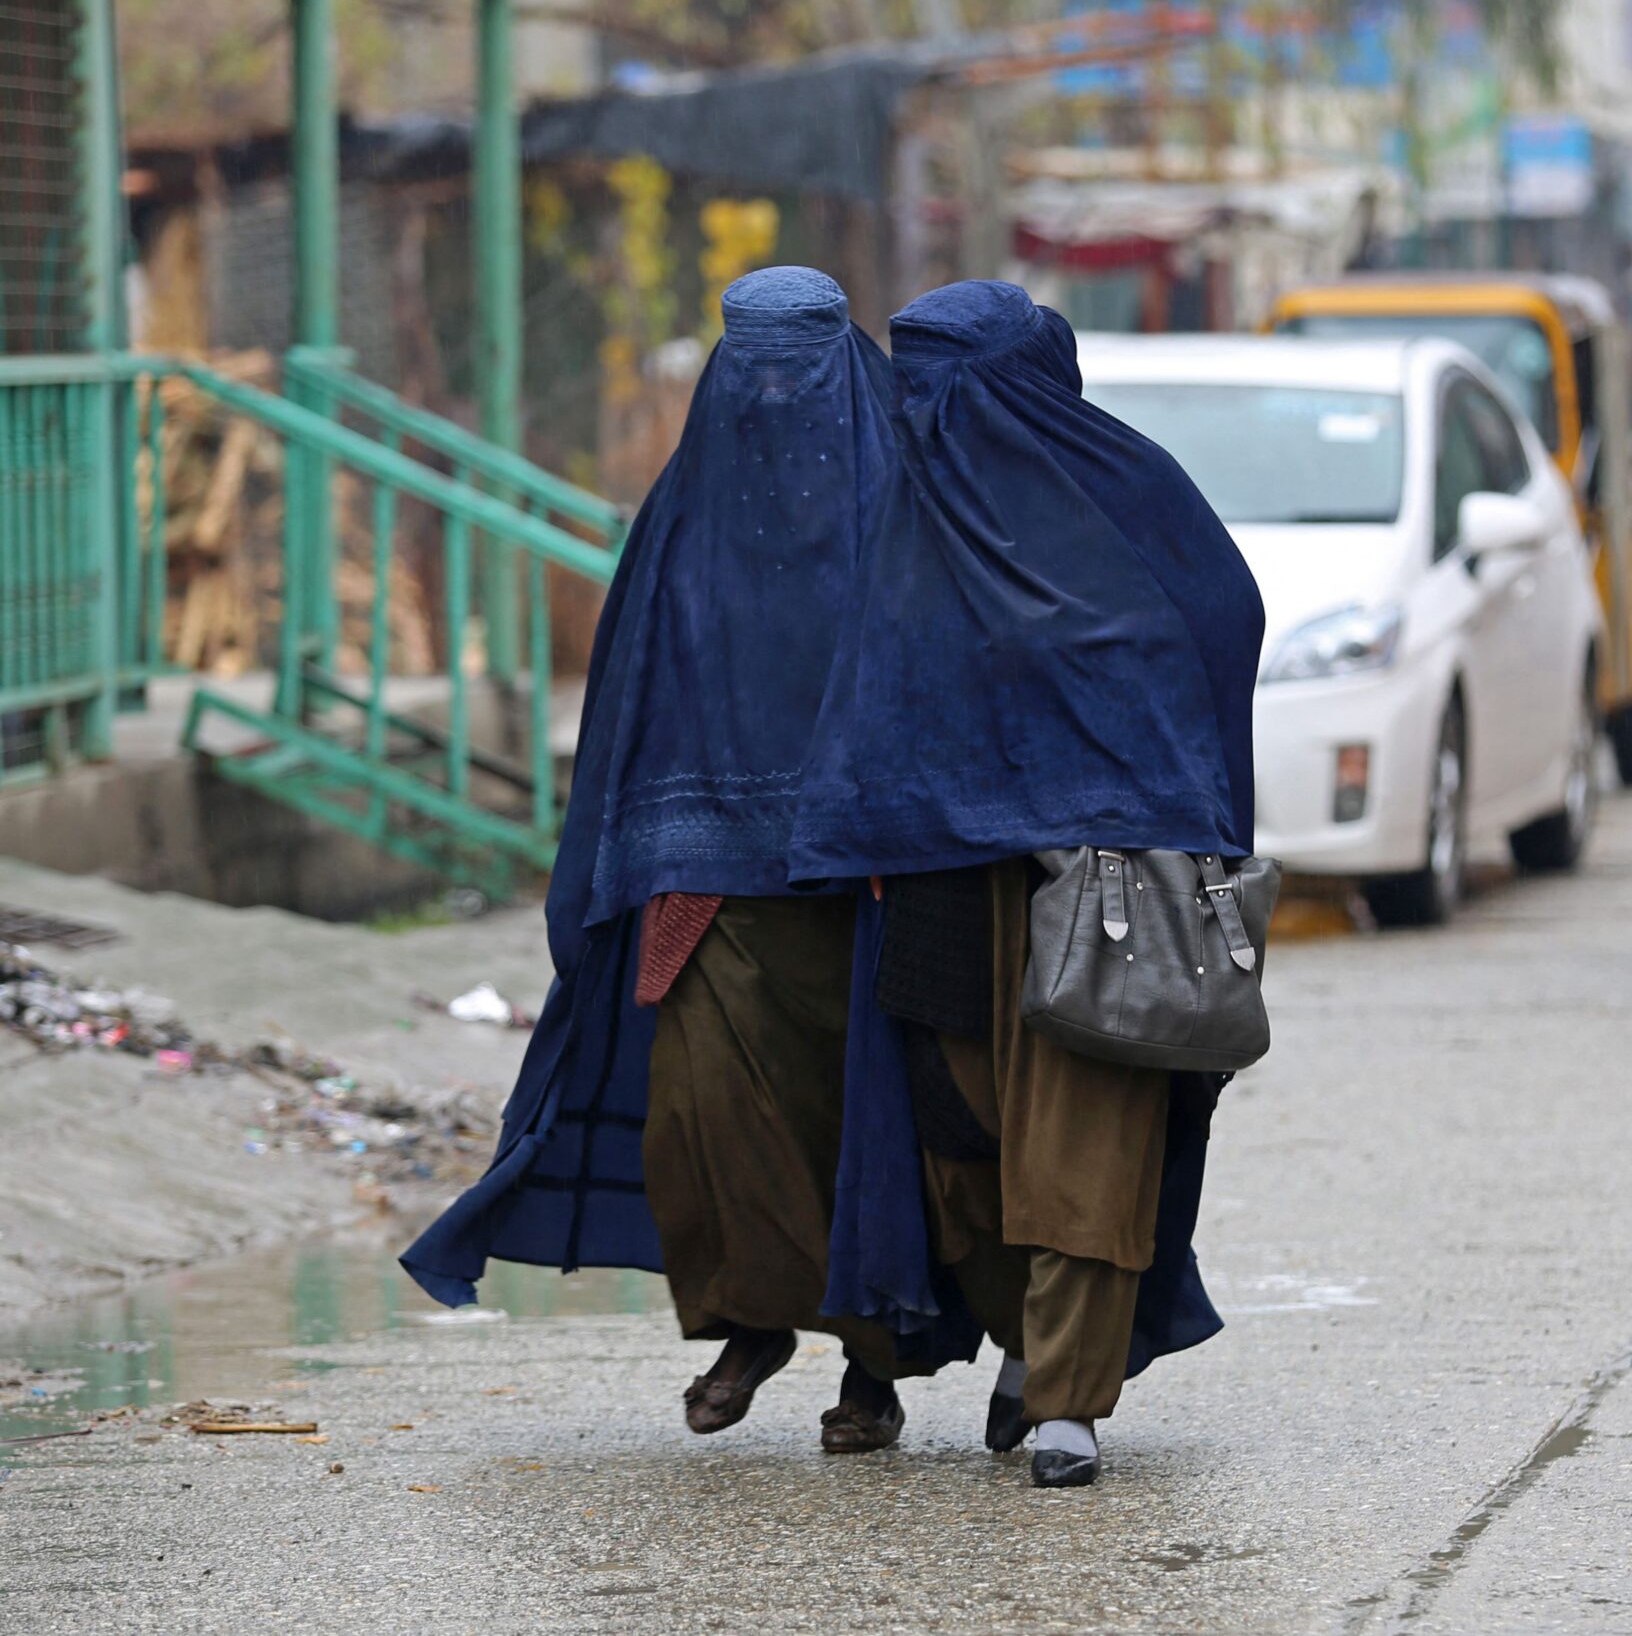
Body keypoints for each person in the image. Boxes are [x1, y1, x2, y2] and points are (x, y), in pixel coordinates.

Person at [402, 267, 977, 1453]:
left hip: (867, 885)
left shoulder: (909, 510)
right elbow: (627, 704)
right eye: (751, 367)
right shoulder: (683, 523)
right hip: (709, 878)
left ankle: (874, 1373)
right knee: (705, 1119)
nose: (775, 394)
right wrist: (624, 858)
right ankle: (751, 1321)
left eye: (799, 366)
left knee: (867, 1131)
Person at [789, 280, 1265, 1487]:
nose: (921, 406)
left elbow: (1212, 623)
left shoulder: (1129, 499)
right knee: (960, 1138)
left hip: (1105, 879)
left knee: (1089, 1140)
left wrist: (1121, 775)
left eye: (944, 378)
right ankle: (1019, 1346)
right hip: (945, 874)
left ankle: (1067, 1400)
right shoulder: (905, 507)